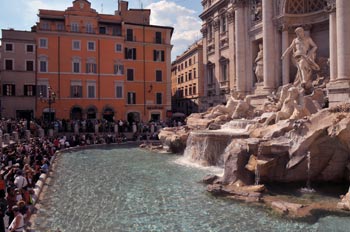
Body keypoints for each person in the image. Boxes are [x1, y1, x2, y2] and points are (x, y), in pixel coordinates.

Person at [281, 27, 320, 91]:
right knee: (300, 67)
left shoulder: (308, 39)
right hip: (297, 57)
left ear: (302, 32)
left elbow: (315, 46)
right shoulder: (295, 40)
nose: (299, 34)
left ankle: (304, 80)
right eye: (297, 33)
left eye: (300, 32)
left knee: (302, 65)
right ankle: (302, 80)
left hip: (305, 56)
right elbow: (290, 48)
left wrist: (310, 53)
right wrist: (284, 55)